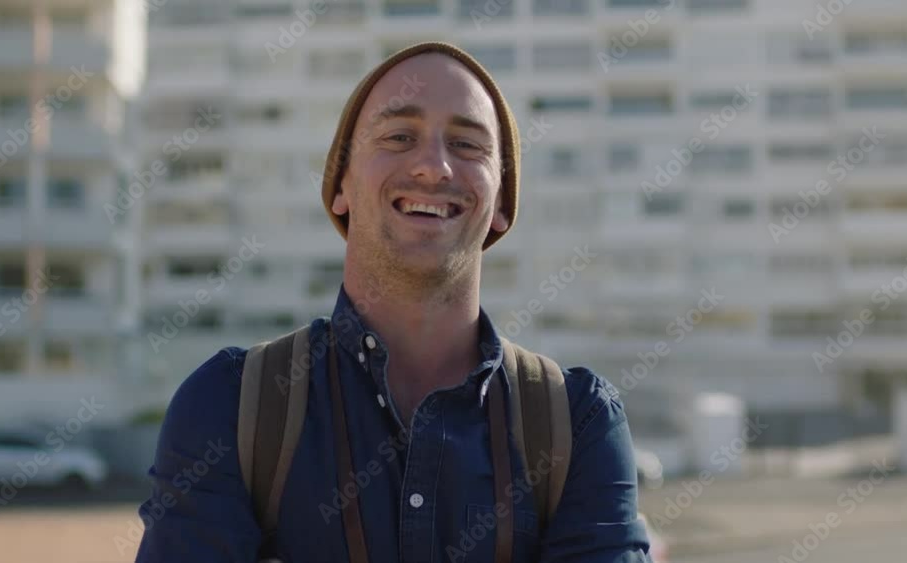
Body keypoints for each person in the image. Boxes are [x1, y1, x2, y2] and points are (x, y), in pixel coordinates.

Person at [134, 41, 652, 562]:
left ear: (501, 204)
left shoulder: (579, 424)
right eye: (399, 136)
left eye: (468, 144)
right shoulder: (228, 406)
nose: (433, 167)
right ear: (341, 187)